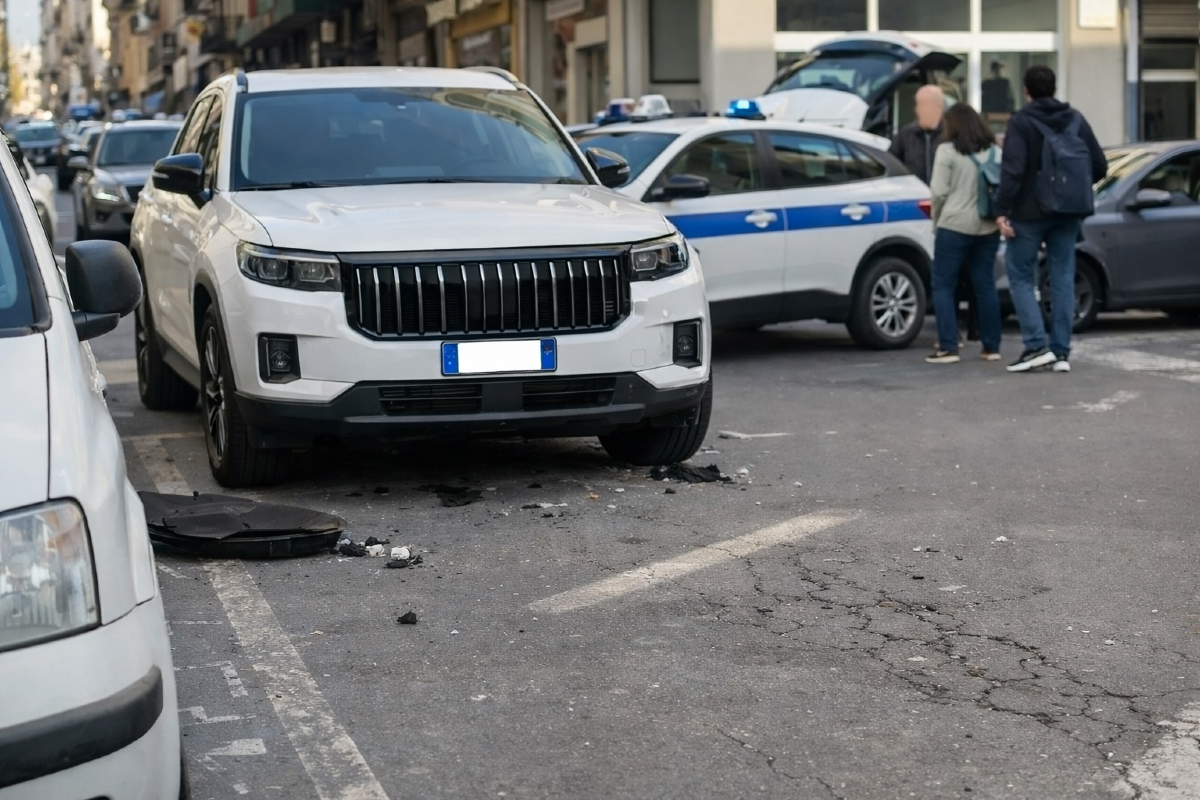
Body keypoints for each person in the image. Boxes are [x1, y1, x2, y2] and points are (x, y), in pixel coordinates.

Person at [994, 65, 1106, 373]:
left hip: (1030, 212)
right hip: (1068, 212)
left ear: (1026, 91)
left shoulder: (1022, 121)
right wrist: (1069, 189)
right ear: (1055, 89)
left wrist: (1001, 209)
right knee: (1062, 276)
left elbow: (1013, 170)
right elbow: (1099, 165)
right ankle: (1061, 352)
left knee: (1019, 274)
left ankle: (1035, 346)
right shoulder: (1076, 119)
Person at [925, 104, 1004, 364]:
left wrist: (937, 220)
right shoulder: (995, 151)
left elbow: (938, 192)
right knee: (984, 285)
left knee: (943, 285)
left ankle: (948, 346)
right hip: (988, 226)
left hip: (954, 225)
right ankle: (991, 346)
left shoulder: (947, 151)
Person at [889, 84, 944, 185]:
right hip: (914, 195)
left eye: (925, 105)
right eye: (919, 105)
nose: (919, 110)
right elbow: (892, 163)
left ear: (939, 108)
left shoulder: (950, 135)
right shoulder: (905, 134)